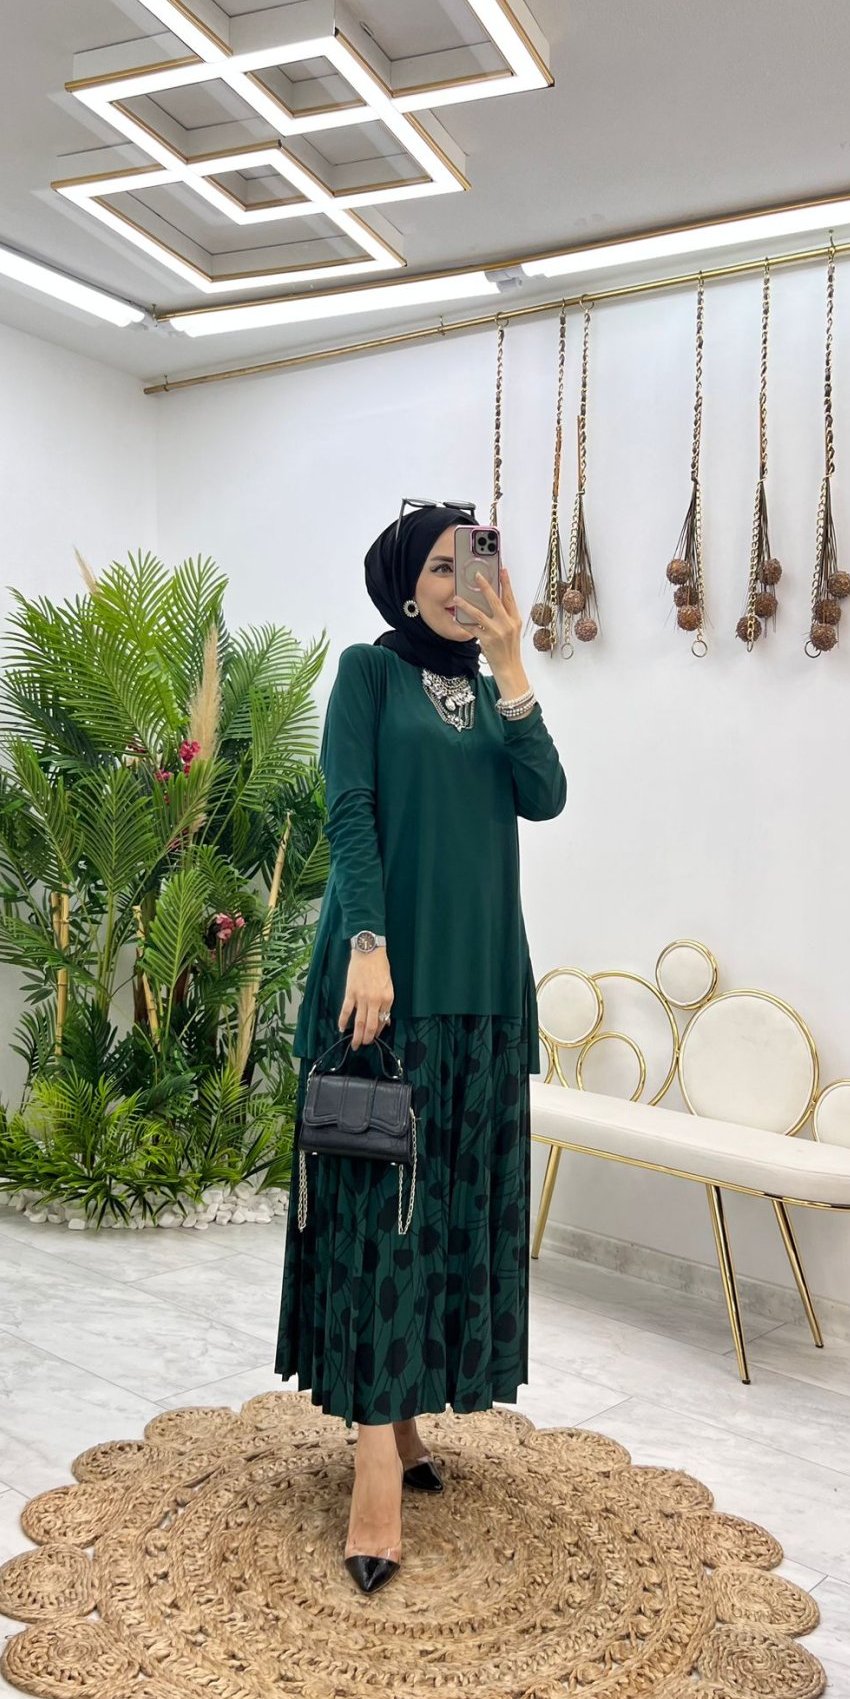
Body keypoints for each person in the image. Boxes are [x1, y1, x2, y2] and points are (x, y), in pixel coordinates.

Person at [274, 501, 567, 1593]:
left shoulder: (493, 695)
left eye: (475, 564)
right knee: (380, 1222)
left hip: (481, 990)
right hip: (385, 985)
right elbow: (348, 809)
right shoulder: (370, 674)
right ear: (405, 582)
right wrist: (366, 943)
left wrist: (515, 666)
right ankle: (372, 1473)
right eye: (441, 566)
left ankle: (401, 1423)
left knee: (442, 1214)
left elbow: (545, 796)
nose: (460, 583)